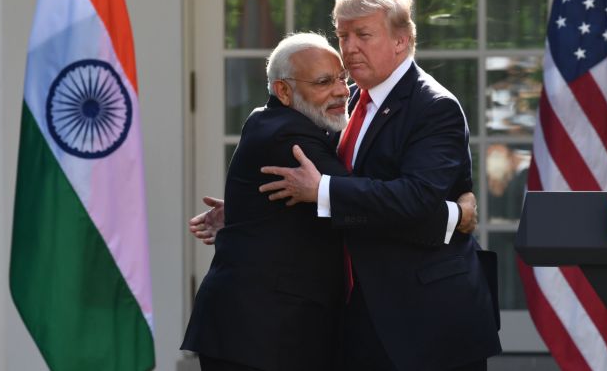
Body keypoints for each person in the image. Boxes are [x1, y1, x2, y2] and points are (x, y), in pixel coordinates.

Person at [181, 33, 477, 371]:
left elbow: (319, 204)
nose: (341, 91)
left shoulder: (273, 119)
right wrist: (454, 216)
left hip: (262, 330)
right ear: (284, 91)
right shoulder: (288, 136)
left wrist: (245, 211)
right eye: (324, 82)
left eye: (342, 78)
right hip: (260, 336)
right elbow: (356, 199)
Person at [259, 0, 502, 371]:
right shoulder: (347, 98)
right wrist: (246, 208)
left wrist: (322, 190)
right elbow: (308, 176)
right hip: (357, 313)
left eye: (363, 35)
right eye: (342, 35)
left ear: (401, 41)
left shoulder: (434, 107)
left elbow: (416, 198)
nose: (349, 47)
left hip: (425, 322)